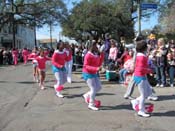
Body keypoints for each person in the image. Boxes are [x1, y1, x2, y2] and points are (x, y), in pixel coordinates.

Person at [131, 40, 154, 117]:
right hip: (140, 76)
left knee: (148, 92)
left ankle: (136, 101)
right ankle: (140, 110)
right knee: (144, 95)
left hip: (141, 76)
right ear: (144, 47)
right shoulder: (141, 56)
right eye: (146, 46)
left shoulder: (140, 55)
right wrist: (149, 70)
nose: (148, 47)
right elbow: (141, 68)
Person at [82, 41, 104, 111]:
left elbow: (99, 63)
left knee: (99, 87)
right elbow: (86, 66)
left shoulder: (95, 54)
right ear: (91, 47)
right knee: (93, 89)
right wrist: (96, 68)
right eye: (95, 46)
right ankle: (91, 104)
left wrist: (102, 55)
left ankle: (87, 95)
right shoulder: (88, 55)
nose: (97, 47)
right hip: (88, 73)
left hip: (94, 73)